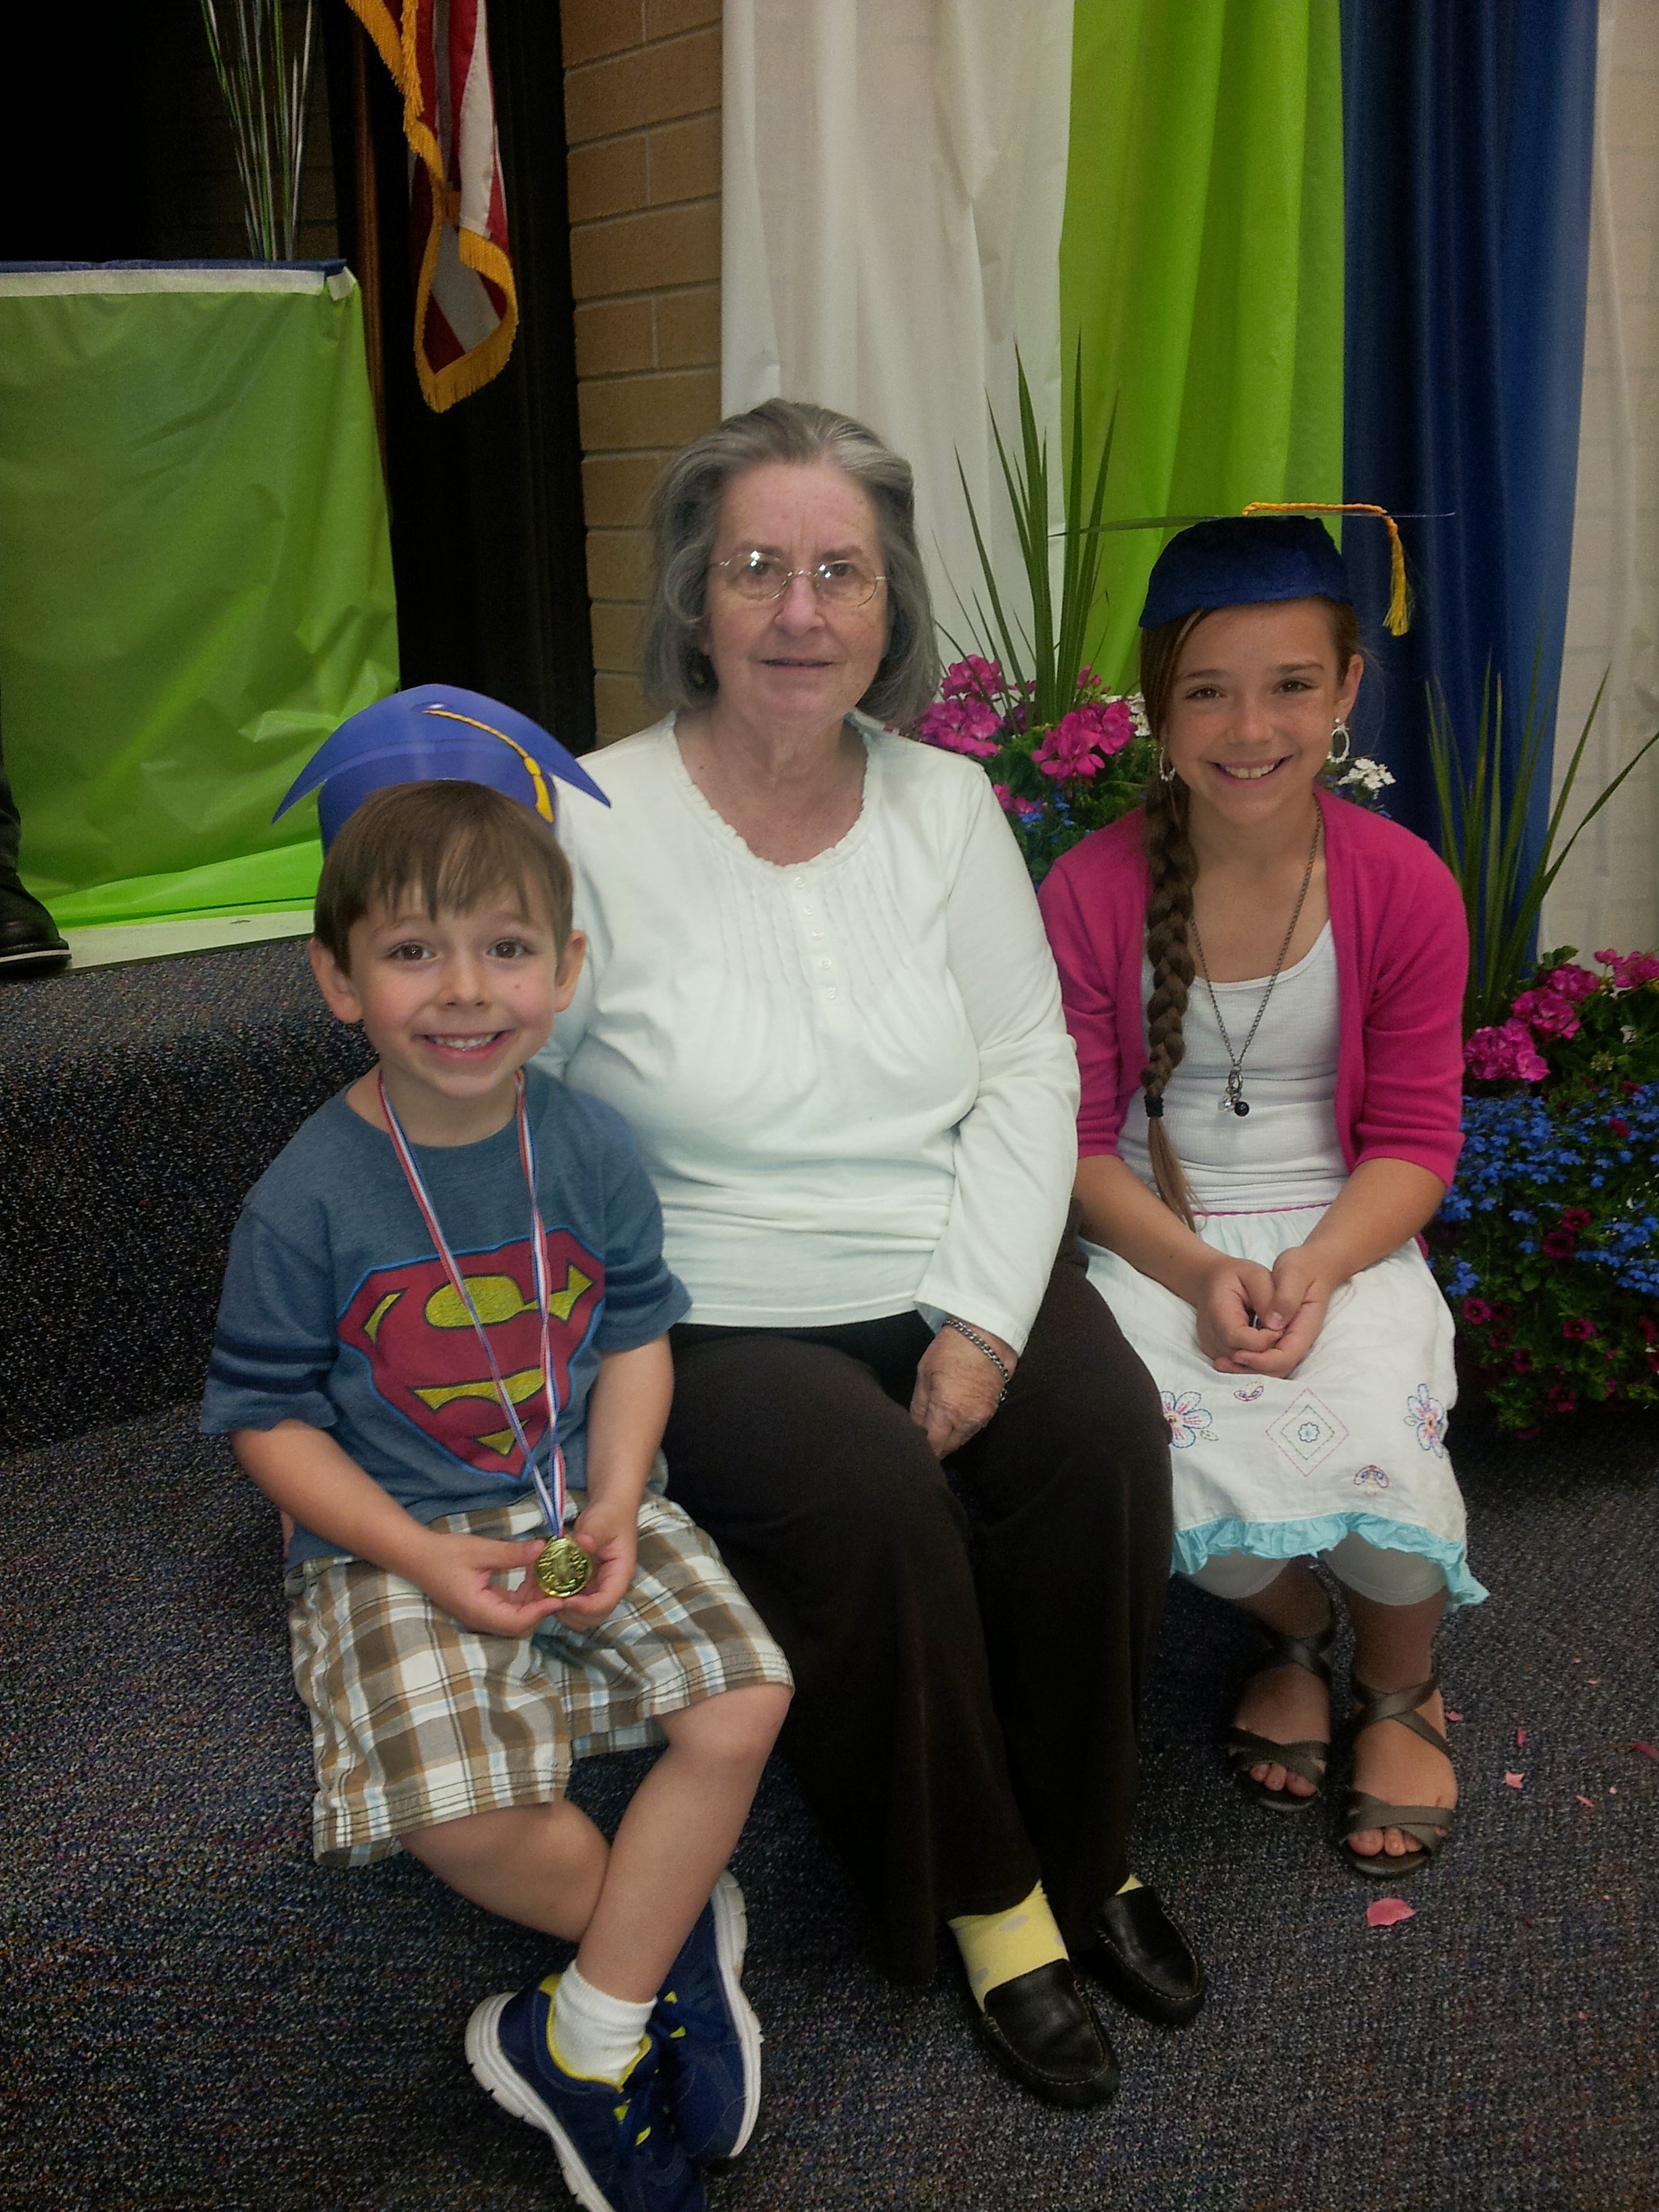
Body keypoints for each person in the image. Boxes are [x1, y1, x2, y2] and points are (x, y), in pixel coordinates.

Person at [540, 398, 1197, 2110]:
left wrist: (985, 1320)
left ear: (888, 606)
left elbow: (1029, 1067)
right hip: (720, 1302)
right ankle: (991, 1899)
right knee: (877, 1504)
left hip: (941, 1241)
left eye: (841, 571)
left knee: (1104, 1438)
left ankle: (1092, 1849)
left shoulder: (945, 803)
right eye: (755, 566)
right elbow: (526, 1094)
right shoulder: (591, 819)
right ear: (694, 599)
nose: (799, 610)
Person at [201, 764, 793, 2212]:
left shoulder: (586, 1142)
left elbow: (636, 1334)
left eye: (507, 948)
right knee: (452, 1815)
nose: (465, 990)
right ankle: (657, 1949)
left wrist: (616, 1497)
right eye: (413, 950)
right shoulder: (305, 1195)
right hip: (388, 1534)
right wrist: (414, 1552)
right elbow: (267, 1422)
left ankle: (574, 2032)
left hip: (581, 1498)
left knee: (746, 1702)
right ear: (339, 979)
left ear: (566, 970)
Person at [1039, 512, 1483, 1882]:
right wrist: (1193, 1273)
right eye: (1207, 691)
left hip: (1346, 1228)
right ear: (1156, 705)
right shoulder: (1090, 893)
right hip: (1155, 1235)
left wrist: (1322, 1268)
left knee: (1378, 1426)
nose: (1250, 728)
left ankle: (1398, 1680)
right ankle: (1293, 1624)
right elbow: (1076, 1146)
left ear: (1347, 688)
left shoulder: (1401, 886)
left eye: (1291, 684)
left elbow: (1415, 1137)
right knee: (1152, 1454)